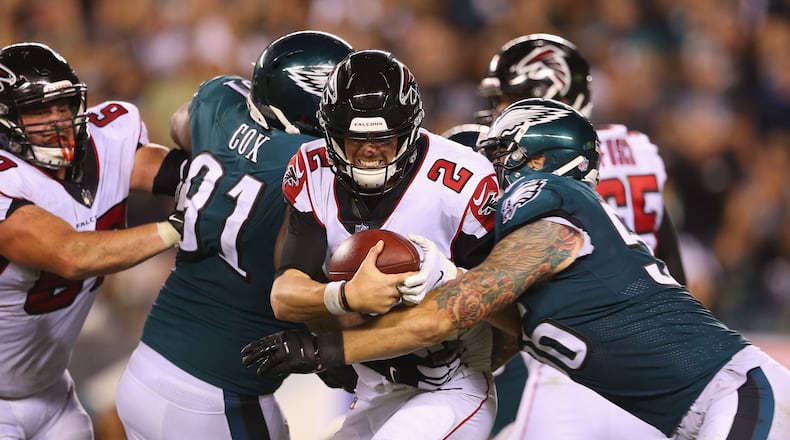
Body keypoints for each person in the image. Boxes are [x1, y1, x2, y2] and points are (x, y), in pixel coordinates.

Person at [243, 98, 790, 440]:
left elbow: (447, 315)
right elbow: (492, 321)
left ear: (534, 162)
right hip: (694, 412)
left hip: (733, 391)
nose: (486, 170)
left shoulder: (552, 209)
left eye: (499, 154)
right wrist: (441, 278)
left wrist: (324, 350)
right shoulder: (543, 257)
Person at [114, 31, 354, 440]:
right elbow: (295, 288)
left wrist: (233, 150)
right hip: (217, 398)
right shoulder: (310, 166)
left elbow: (180, 128)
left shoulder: (219, 99)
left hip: (146, 368)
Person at [255, 49, 501, 438]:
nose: (371, 150)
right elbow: (285, 294)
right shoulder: (311, 168)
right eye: (355, 139)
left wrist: (449, 279)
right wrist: (347, 296)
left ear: (411, 130)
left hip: (449, 382)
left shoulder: (463, 181)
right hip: (373, 386)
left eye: (385, 138)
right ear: (331, 133)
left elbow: (509, 306)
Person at [476, 33, 688, 438]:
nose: (496, 112)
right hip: (650, 355)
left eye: (505, 98)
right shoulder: (638, 148)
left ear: (546, 93)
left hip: (571, 351)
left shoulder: (533, 162)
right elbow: (671, 262)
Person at [0, 42, 186, 440]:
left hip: (51, 391)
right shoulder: (6, 179)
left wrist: (212, 171)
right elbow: (71, 254)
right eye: (37, 110)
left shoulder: (103, 142)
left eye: (63, 105)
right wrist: (176, 227)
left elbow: (163, 170)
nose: (56, 121)